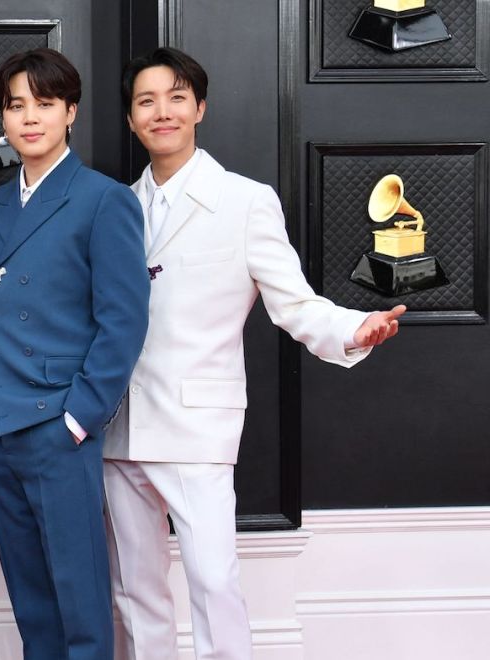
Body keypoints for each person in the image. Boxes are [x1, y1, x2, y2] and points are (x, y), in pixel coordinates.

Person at [105, 46, 403, 660]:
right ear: (131, 119)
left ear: (200, 108)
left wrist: (356, 328)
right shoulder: (115, 206)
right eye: (146, 101)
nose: (162, 112)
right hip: (118, 423)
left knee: (213, 582)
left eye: (176, 98)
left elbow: (295, 303)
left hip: (196, 425)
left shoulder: (245, 201)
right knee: (133, 590)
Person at [0, 47, 149, 660]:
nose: (29, 118)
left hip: (56, 420)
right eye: (16, 106)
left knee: (78, 591)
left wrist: (80, 417)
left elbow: (123, 320)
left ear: (71, 111)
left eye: (44, 104)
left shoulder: (103, 198)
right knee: (29, 593)